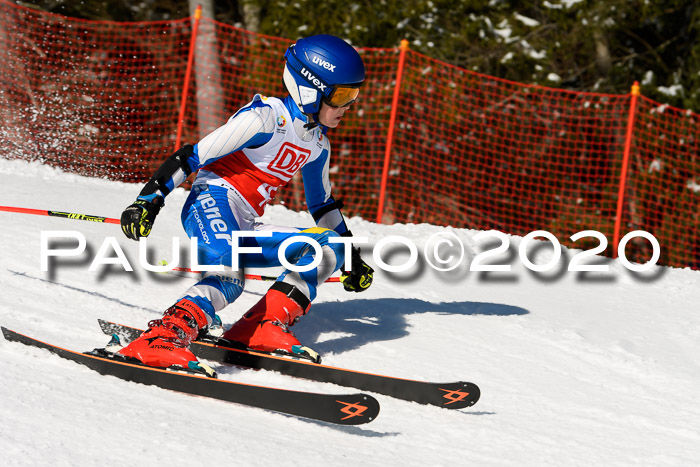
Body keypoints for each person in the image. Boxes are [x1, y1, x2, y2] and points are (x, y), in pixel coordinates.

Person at [117, 34, 374, 374]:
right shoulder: (266, 118)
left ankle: (259, 328)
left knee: (328, 247)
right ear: (310, 87)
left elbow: (323, 205)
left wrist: (351, 257)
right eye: (342, 95)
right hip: (212, 199)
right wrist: (148, 200)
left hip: (247, 219)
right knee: (230, 272)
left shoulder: (318, 145)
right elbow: (192, 156)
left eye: (353, 95)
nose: (347, 106)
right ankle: (162, 338)